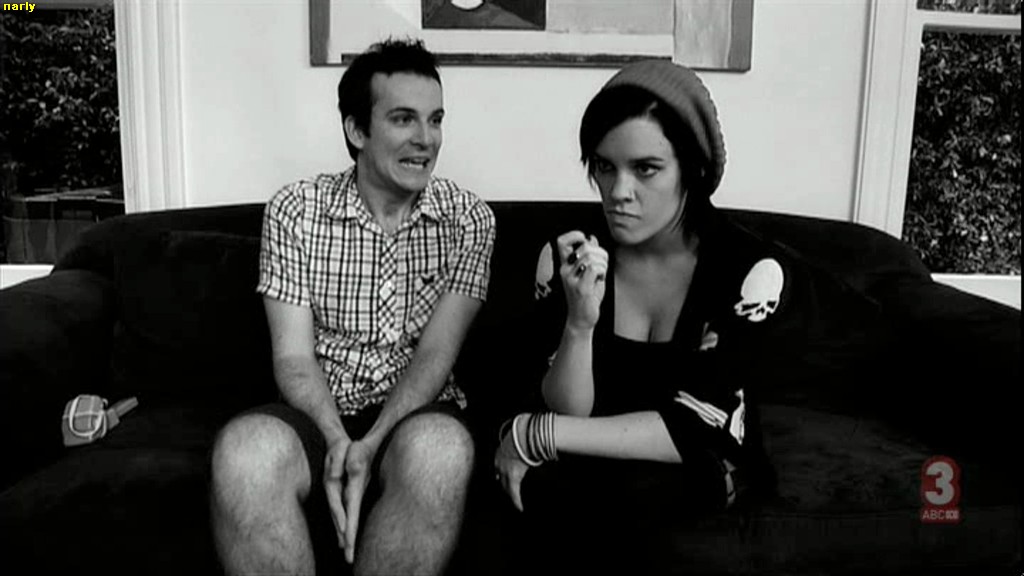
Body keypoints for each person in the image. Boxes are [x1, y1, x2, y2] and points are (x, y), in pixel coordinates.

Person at [493, 59, 877, 573]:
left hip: (689, 463)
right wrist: (579, 325)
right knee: (553, 491)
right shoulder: (571, 252)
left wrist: (536, 433)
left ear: (692, 169)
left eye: (645, 169)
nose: (618, 191)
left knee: (636, 495)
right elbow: (571, 409)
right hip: (593, 465)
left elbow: (697, 428)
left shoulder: (750, 270)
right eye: (604, 167)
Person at [210, 38, 495, 576]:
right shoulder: (296, 210)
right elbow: (293, 358)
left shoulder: (469, 220)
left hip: (416, 413)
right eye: (404, 119)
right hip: (316, 408)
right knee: (245, 451)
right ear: (357, 130)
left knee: (440, 450)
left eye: (435, 120)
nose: (426, 139)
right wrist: (338, 439)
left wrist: (373, 441)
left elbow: (436, 356)